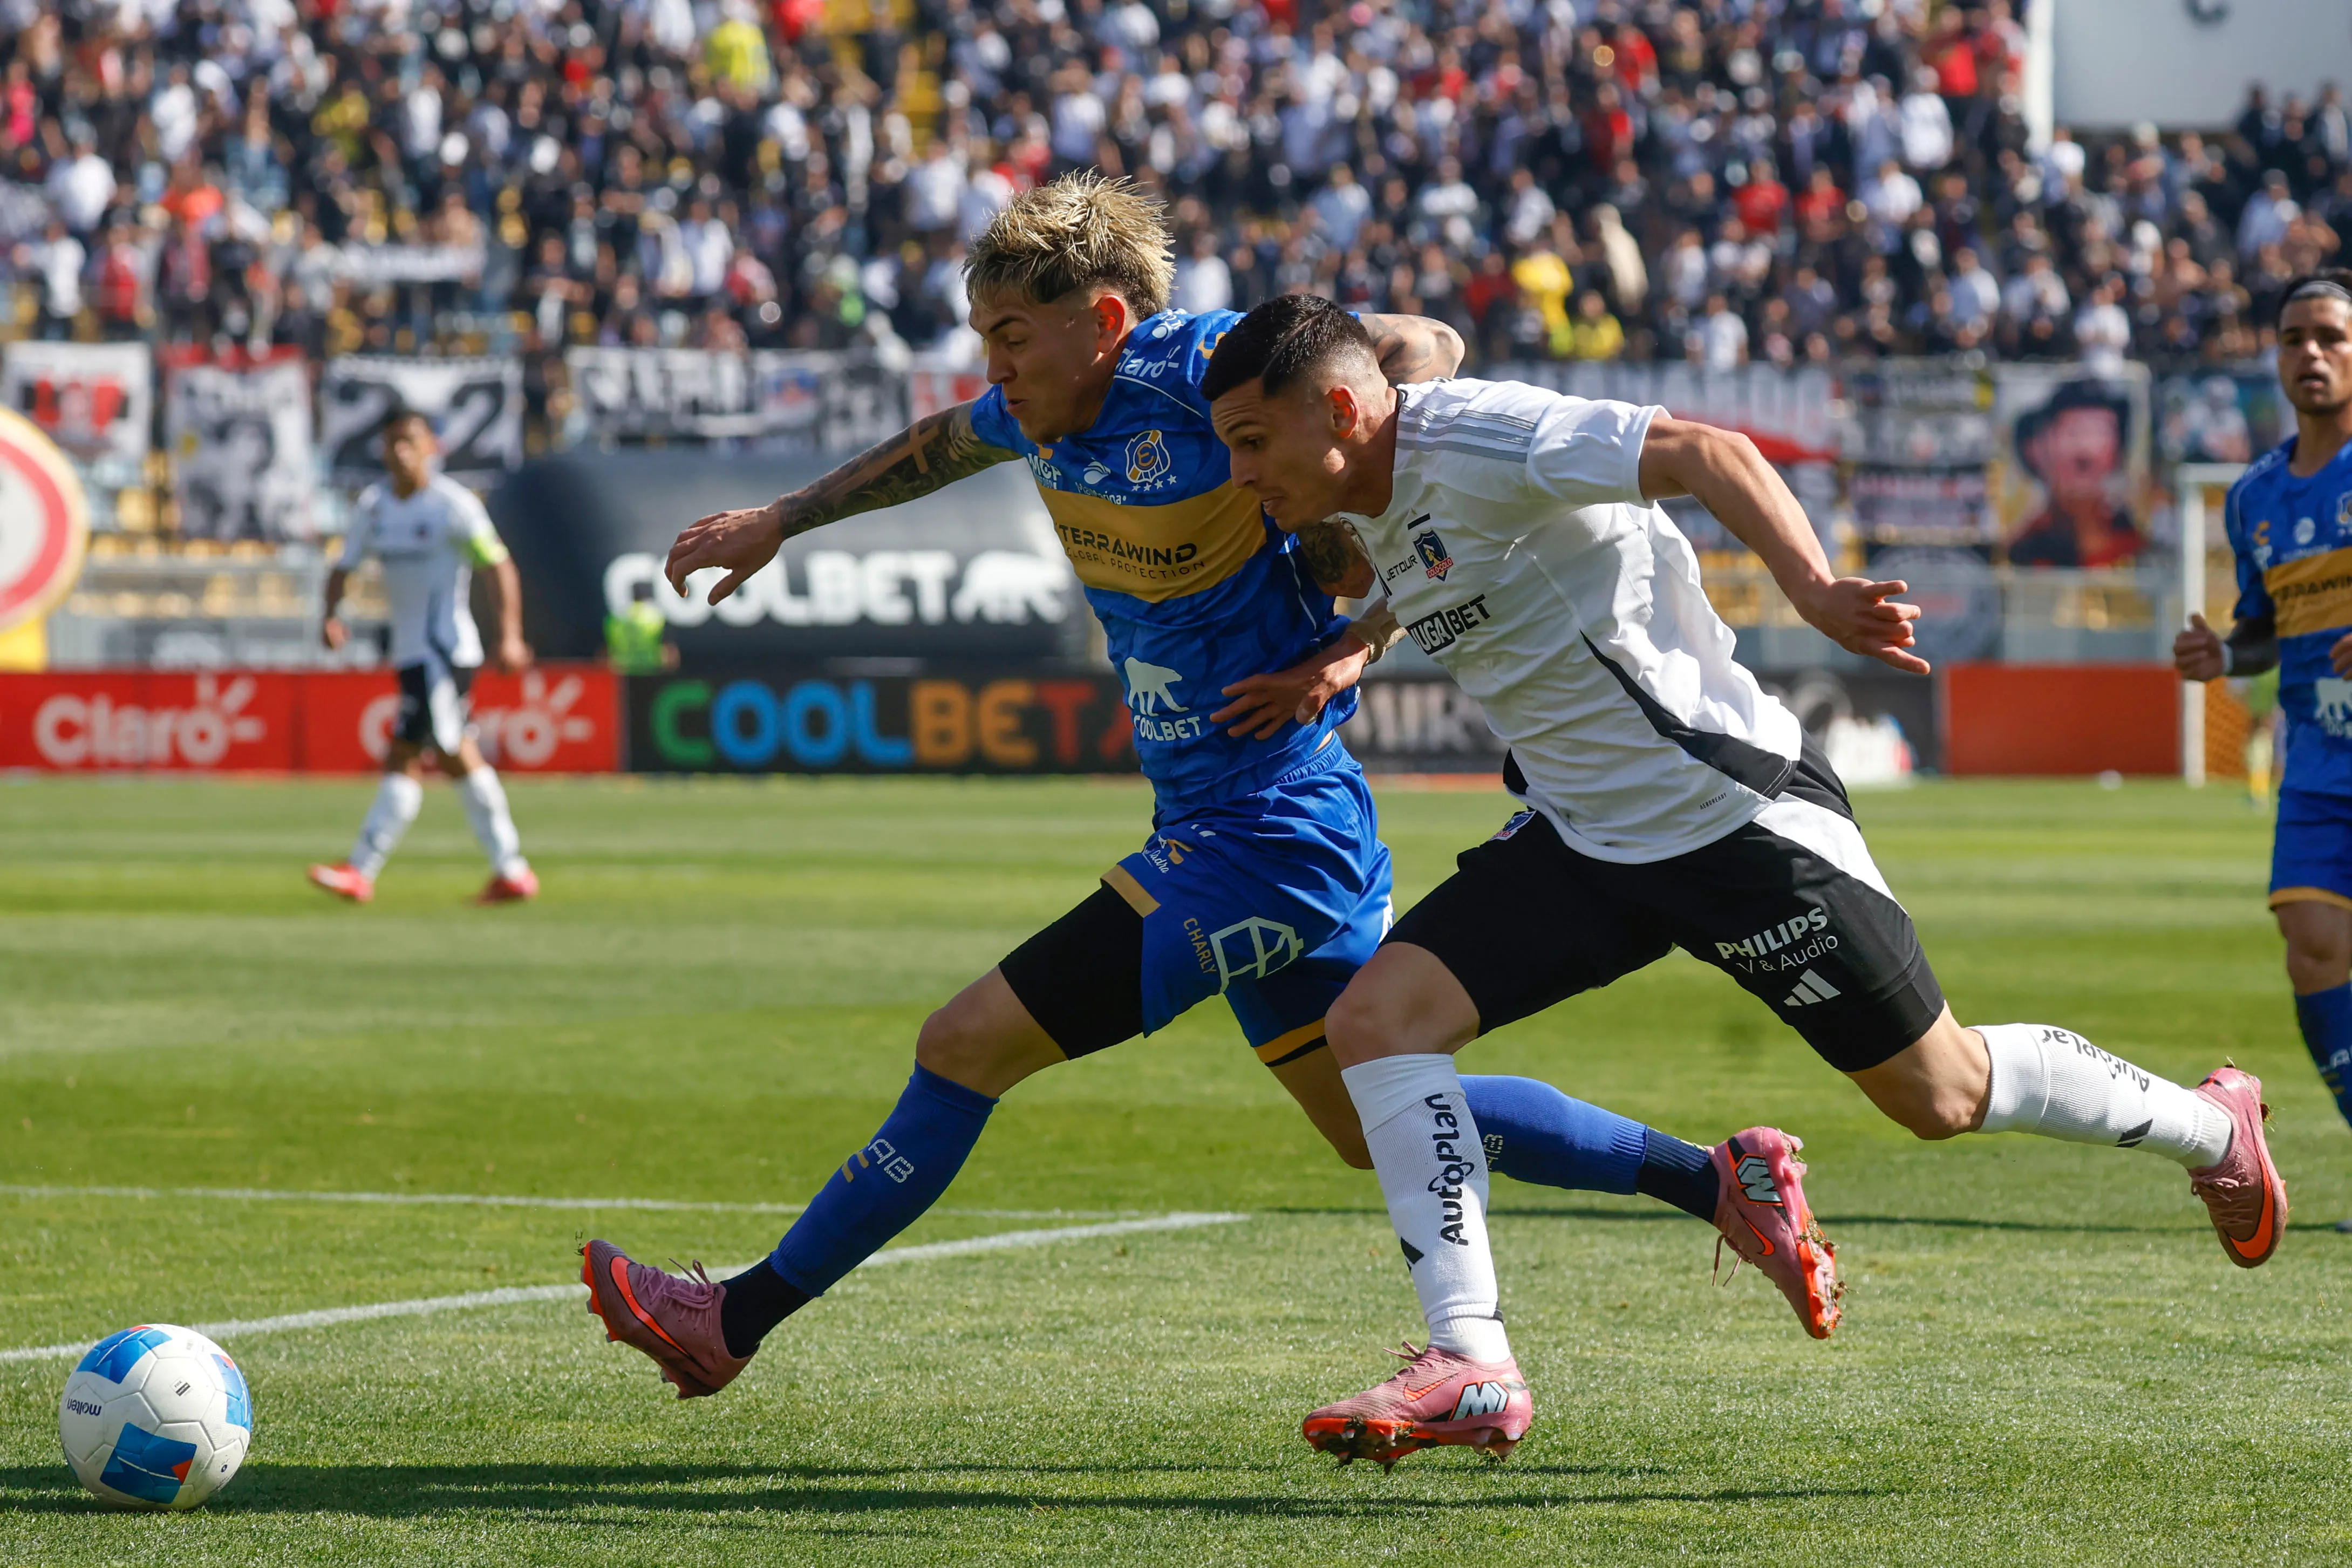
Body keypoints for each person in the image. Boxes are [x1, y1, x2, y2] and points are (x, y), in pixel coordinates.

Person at [577, 175, 1842, 1405]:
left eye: (1013, 338)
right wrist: (784, 520)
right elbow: (933, 448)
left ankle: (730, 1321)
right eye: (985, 341)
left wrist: (1357, 637)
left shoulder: (1199, 374)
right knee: (1368, 1124)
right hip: (1236, 817)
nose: (995, 367)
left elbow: (1421, 346)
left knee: (962, 1044)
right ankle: (1717, 1179)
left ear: (1106, 322)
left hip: (1267, 828)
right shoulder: (1042, 411)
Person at [1201, 294, 2288, 1468]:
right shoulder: (1382, 471)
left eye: (1254, 441)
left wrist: (1816, 593)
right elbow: (1426, 441)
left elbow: (1705, 451)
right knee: (1374, 1021)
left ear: (1345, 411)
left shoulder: (1486, 438)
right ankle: (1470, 1359)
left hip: (1729, 818)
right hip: (1583, 840)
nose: (1238, 471)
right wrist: (1353, 643)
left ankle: (2207, 1125)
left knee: (1941, 1093)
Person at [2177, 270, 2352, 1166]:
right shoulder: (2254, 496)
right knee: (2311, 950)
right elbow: (2263, 629)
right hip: (2321, 758)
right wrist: (2225, 655)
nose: (2309, 354)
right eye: (2292, 339)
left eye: (2327, 336)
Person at [306, 407, 538, 905]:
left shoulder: (452, 507)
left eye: (411, 441)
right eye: (392, 442)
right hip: (411, 653)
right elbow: (342, 566)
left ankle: (363, 870)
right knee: (450, 756)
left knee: (417, 753)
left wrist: (511, 636)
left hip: (445, 651)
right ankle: (510, 871)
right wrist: (331, 614)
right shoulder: (374, 507)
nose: (401, 452)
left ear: (432, 446)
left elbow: (498, 567)